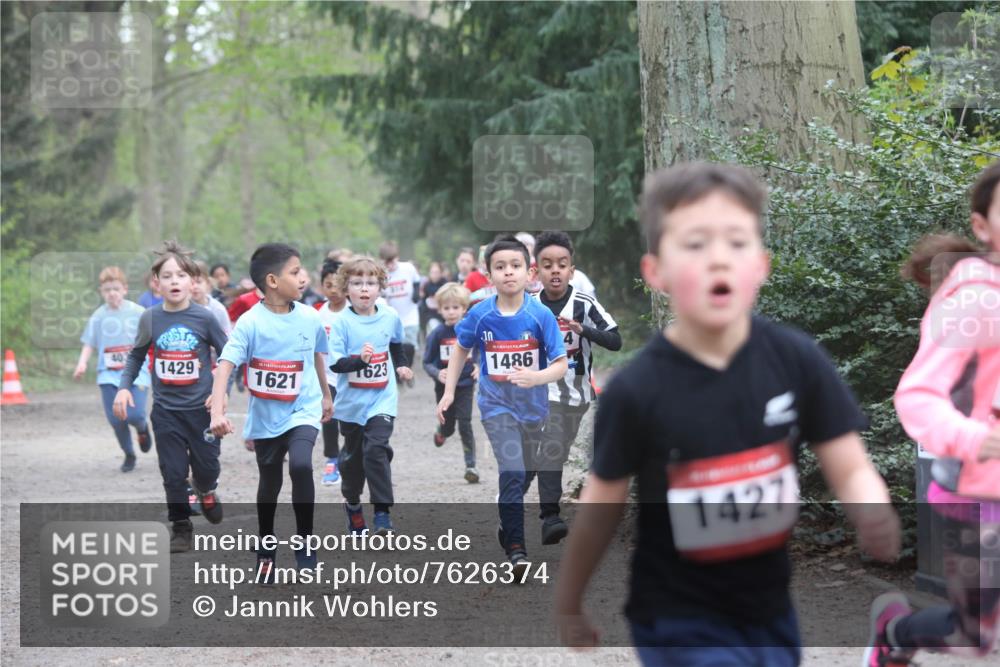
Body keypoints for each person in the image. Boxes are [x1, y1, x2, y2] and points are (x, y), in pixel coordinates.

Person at [552, 163, 901, 665]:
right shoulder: (636, 389)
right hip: (675, 615)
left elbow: (847, 461)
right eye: (695, 244)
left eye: (736, 243)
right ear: (657, 273)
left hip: (769, 612)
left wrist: (871, 506)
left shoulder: (795, 360)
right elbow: (601, 505)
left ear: (761, 264)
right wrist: (569, 601)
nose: (719, 259)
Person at [862, 162, 1000, 666]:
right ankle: (893, 633)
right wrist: (972, 438)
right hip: (977, 492)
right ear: (982, 226)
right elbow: (918, 395)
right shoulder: (973, 301)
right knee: (973, 635)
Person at [437, 234, 568, 573]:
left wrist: (536, 377)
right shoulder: (480, 314)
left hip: (534, 409)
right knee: (511, 470)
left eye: (515, 266)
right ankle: (516, 550)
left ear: (530, 273)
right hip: (496, 407)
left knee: (526, 470)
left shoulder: (540, 316)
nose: (508, 272)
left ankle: (505, 524)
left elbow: (560, 364)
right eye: (500, 267)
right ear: (489, 274)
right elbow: (461, 349)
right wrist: (450, 391)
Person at [209, 243, 334, 580]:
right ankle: (266, 547)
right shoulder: (250, 323)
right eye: (295, 271)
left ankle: (305, 542)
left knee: (301, 464)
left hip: (303, 409)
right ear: (272, 281)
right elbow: (225, 365)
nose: (304, 276)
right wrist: (217, 410)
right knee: (270, 482)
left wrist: (325, 395)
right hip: (265, 417)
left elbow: (317, 356)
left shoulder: (310, 317)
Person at [114, 241, 229, 553]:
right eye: (167, 276)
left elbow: (227, 356)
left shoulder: (205, 318)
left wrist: (221, 397)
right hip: (166, 411)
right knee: (173, 472)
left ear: (192, 282)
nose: (174, 281)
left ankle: (206, 490)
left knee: (207, 468)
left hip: (202, 411)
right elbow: (136, 356)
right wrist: (125, 386)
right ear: (157, 283)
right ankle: (181, 527)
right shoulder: (150, 318)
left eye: (180, 275)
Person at [526, 230, 621, 544]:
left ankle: (516, 502)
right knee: (547, 450)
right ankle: (549, 517)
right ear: (536, 270)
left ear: (571, 269)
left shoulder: (584, 304)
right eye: (548, 264)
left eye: (562, 264)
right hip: (535, 393)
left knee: (550, 452)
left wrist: (585, 330)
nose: (555, 270)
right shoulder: (526, 308)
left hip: (574, 395)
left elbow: (616, 340)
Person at [327, 256, 414, 536]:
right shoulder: (341, 323)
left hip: (382, 398)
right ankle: (352, 504)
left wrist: (401, 364)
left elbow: (396, 343)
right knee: (353, 461)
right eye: (357, 283)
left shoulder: (389, 316)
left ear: (380, 287)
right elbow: (336, 364)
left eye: (370, 283)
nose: (364, 289)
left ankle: (382, 513)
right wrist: (360, 362)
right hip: (351, 404)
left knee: (375, 449)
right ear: (345, 288)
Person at [74, 266, 152, 472]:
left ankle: (143, 429)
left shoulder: (138, 312)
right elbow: (89, 343)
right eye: (107, 289)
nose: (112, 293)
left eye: (116, 288)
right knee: (116, 419)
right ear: (101, 292)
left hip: (137, 372)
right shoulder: (98, 316)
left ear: (125, 289)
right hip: (108, 374)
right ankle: (129, 454)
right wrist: (82, 363)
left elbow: (153, 336)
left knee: (134, 415)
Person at [423, 282, 479, 483]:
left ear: (464, 308)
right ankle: (442, 431)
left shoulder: (470, 329)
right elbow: (426, 362)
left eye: (456, 307)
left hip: (465, 384)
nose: (451, 312)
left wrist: (478, 366)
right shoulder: (437, 334)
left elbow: (480, 350)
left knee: (465, 423)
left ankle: (471, 465)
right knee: (449, 426)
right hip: (444, 387)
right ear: (440, 310)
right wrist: (438, 373)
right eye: (446, 308)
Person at [315, 259, 347, 486]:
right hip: (328, 377)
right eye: (328, 285)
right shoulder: (318, 314)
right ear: (321, 287)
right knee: (329, 418)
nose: (333, 290)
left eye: (338, 285)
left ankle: (349, 456)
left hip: (352, 377)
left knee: (352, 423)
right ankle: (332, 459)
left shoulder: (354, 312)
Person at [379, 241, 421, 386]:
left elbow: (417, 281)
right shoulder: (382, 273)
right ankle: (398, 375)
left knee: (410, 346)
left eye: (391, 261)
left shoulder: (407, 268)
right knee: (395, 346)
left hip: (410, 314)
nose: (389, 265)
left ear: (397, 257)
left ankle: (407, 371)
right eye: (386, 262)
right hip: (393, 316)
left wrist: (416, 293)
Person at [192, 261, 231, 336]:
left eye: (199, 282)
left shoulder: (218, 309)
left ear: (208, 283)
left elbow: (227, 336)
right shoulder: (181, 307)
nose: (195, 287)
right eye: (191, 283)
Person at [419, 261, 448, 338]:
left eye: (437, 272)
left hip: (445, 316)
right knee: (433, 331)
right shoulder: (426, 286)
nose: (434, 275)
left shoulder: (446, 285)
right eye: (432, 272)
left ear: (441, 273)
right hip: (431, 315)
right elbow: (424, 302)